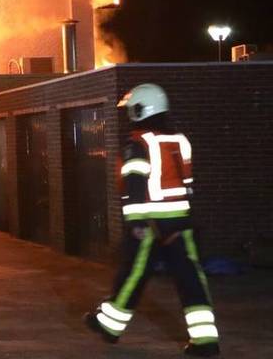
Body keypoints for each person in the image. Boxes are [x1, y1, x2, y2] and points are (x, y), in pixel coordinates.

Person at [84, 83, 220, 356]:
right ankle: (205, 341)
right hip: (182, 221)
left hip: (151, 221)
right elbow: (187, 182)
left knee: (133, 274)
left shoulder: (138, 144)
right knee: (191, 279)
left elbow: (134, 185)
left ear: (139, 110)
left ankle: (110, 326)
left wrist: (136, 224)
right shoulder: (180, 141)